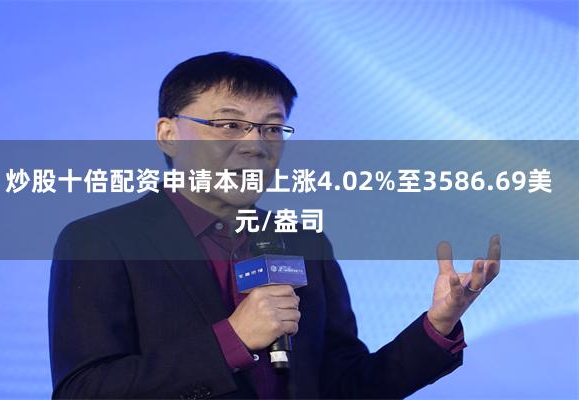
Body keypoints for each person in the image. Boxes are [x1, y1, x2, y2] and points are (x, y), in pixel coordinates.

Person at [48, 52, 501, 399]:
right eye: (229, 124)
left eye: (271, 129)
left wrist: (437, 326)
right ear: (168, 134)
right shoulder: (101, 240)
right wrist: (233, 339)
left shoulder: (304, 242)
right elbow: (83, 391)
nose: (256, 145)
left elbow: (345, 386)